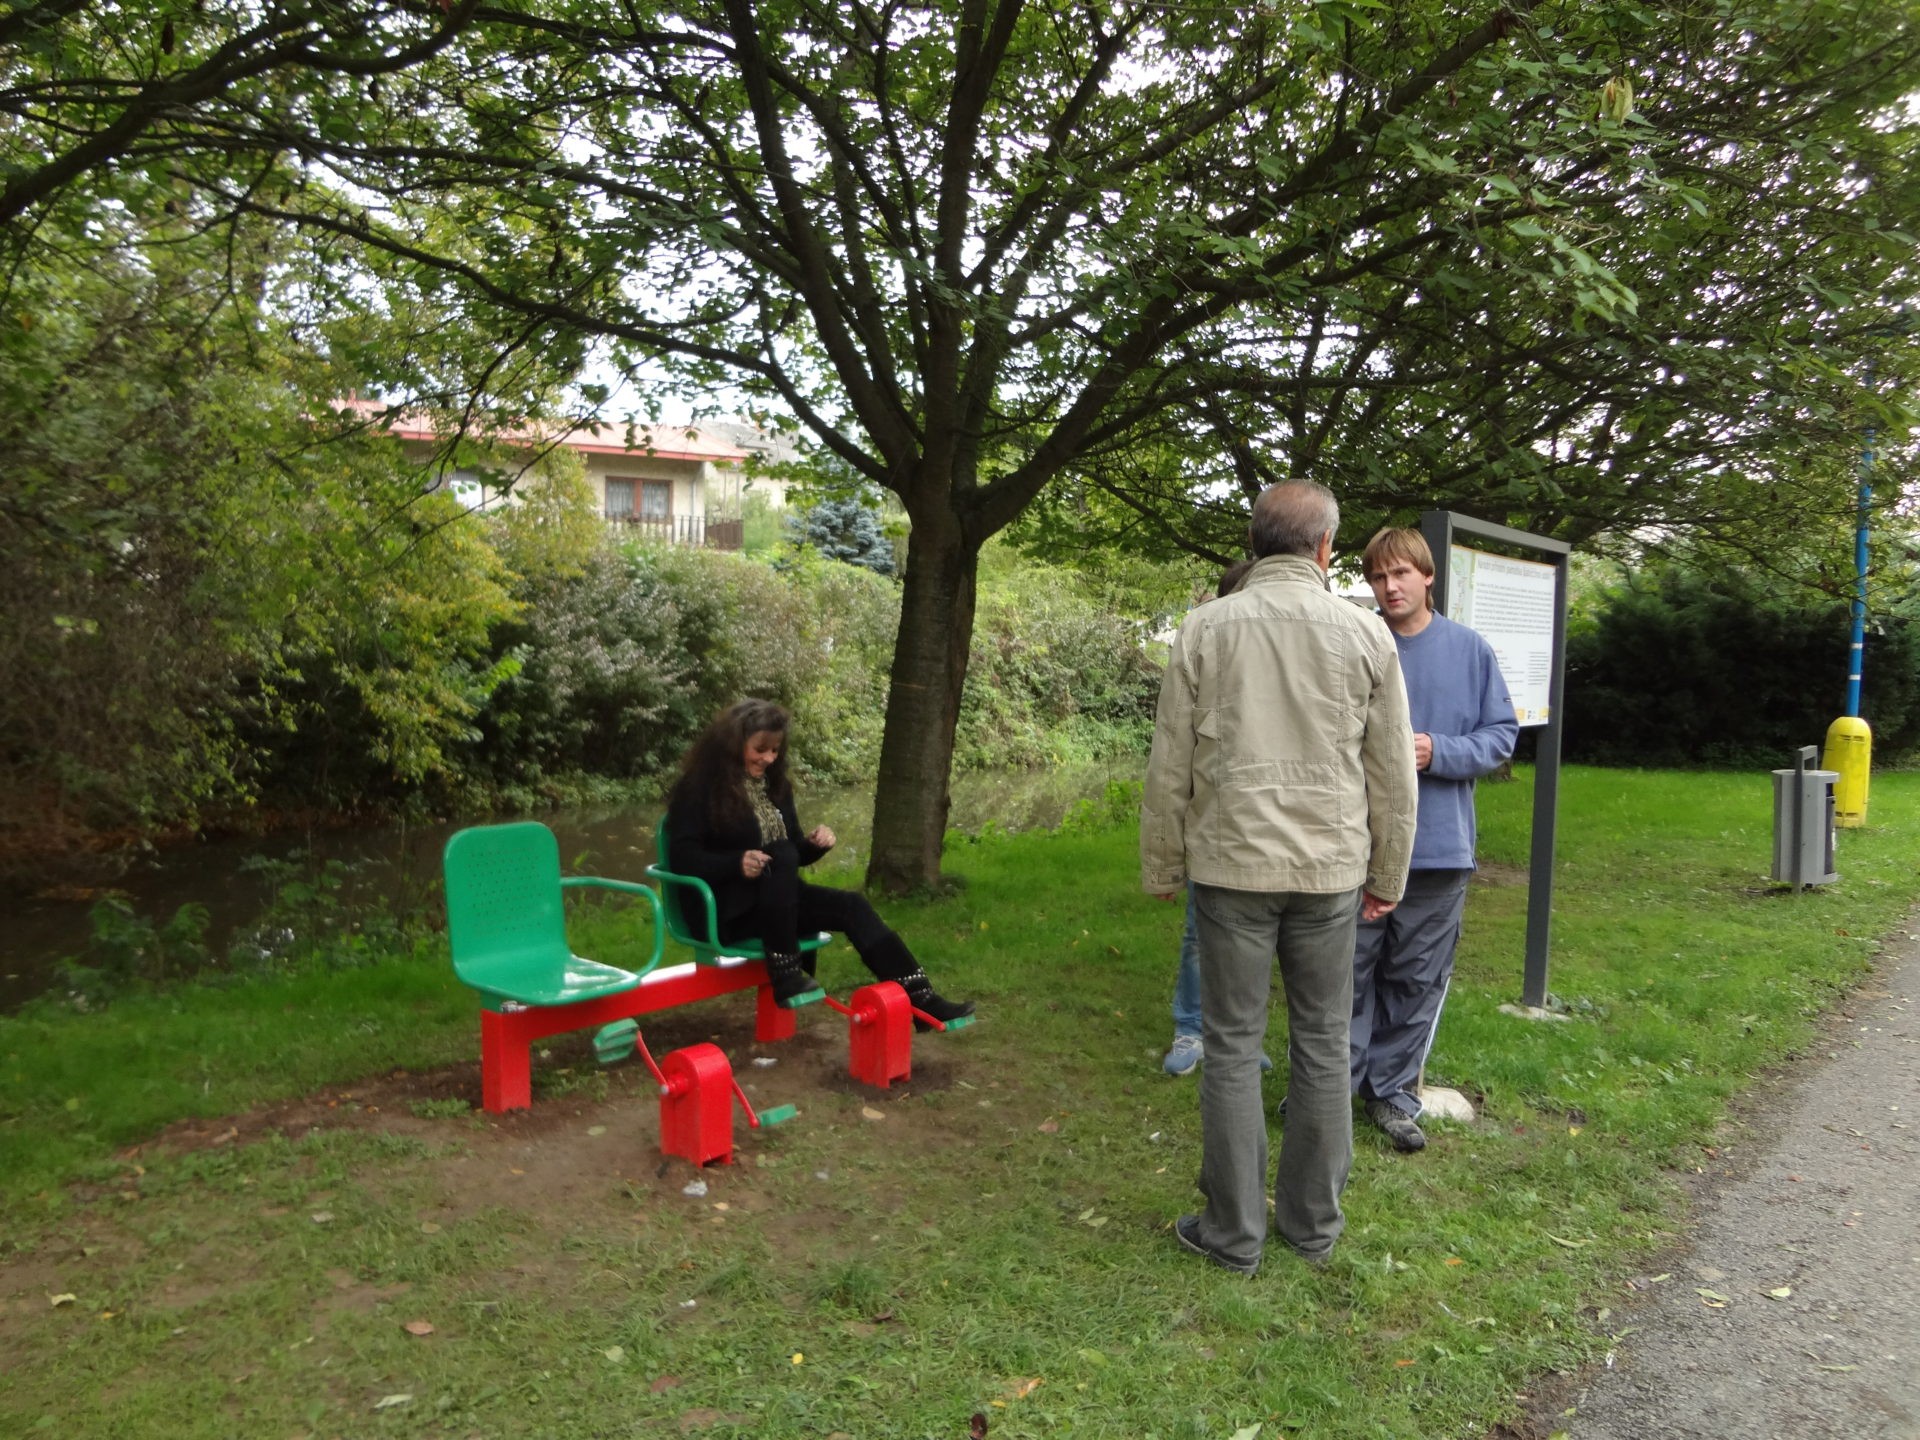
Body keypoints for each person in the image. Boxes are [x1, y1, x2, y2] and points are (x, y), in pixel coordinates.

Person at [1141, 480, 1418, 1274]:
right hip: (1330, 870)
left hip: (1232, 869)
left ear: (1255, 543)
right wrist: (1389, 872)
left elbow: (1170, 762)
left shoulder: (1204, 628)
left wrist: (1162, 863)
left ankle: (1233, 1234)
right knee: (1324, 1041)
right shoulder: (1365, 633)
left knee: (1231, 1045)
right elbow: (1392, 771)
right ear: (1327, 548)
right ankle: (1312, 1226)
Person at [1349, 528, 1517, 1152]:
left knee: (1414, 977)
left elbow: (1500, 736)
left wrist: (1437, 751)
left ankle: (1392, 1094)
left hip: (1439, 849)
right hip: (1358, 846)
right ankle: (1329, 1087)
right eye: (1377, 577)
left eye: (1400, 574)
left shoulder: (1469, 650)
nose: (1389, 587)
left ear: (1427, 576)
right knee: (1344, 972)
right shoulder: (1357, 642)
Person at [664, 698, 974, 1028]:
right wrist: (736, 863)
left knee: (852, 905)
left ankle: (922, 1000)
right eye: (760, 749)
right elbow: (682, 858)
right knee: (782, 854)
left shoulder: (776, 787)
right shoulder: (697, 789)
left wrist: (813, 846)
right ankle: (786, 972)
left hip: (776, 904)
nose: (769, 758)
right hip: (724, 910)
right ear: (733, 744)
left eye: (775, 750)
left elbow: (792, 855)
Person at [1161, 558, 1271, 1079]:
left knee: (1260, 943)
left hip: (1267, 833)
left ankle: (1244, 1035)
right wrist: (1166, 855)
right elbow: (1173, 760)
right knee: (1198, 938)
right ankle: (1190, 1028)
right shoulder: (1202, 646)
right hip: (1212, 830)